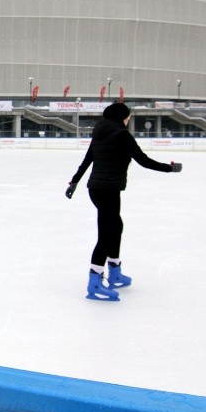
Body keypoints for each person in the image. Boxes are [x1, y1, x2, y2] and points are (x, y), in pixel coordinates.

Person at [66, 103, 182, 301]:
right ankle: (94, 282)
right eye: (128, 117)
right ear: (122, 117)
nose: (128, 120)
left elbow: (87, 160)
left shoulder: (100, 132)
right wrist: (170, 169)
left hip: (97, 188)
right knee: (106, 234)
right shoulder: (122, 134)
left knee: (116, 227)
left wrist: (74, 181)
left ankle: (115, 270)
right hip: (108, 189)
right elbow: (143, 160)